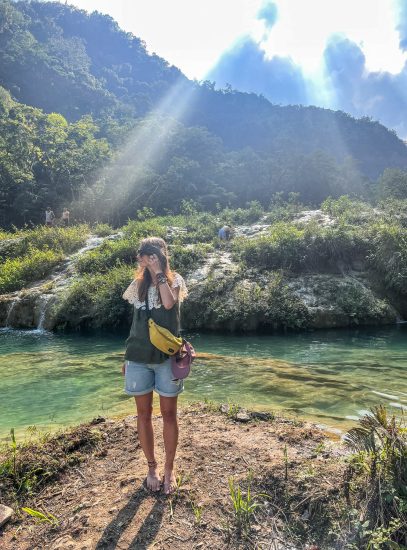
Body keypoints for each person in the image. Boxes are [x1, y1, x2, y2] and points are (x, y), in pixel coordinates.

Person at [122, 237, 188, 495]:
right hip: (137, 357)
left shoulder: (174, 280)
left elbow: (169, 303)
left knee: (169, 414)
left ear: (163, 255)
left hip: (166, 359)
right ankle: (151, 467)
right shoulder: (136, 285)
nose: (147, 259)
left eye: (153, 253)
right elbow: (135, 325)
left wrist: (159, 272)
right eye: (144, 255)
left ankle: (169, 469)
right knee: (143, 415)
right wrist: (124, 359)